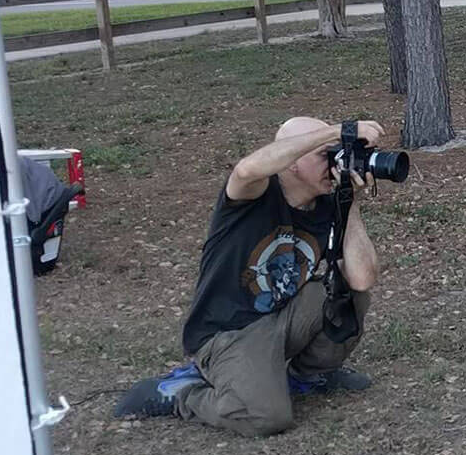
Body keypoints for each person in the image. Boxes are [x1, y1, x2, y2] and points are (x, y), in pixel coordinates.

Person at [115, 117, 385, 436]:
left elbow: (363, 280)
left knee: (347, 296)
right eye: (324, 155)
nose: (334, 162)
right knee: (266, 417)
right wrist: (336, 132)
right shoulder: (256, 192)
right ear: (292, 161)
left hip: (280, 318)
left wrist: (349, 203)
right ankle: (182, 393)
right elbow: (246, 170)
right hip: (228, 332)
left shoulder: (328, 204)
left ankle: (305, 376)